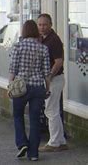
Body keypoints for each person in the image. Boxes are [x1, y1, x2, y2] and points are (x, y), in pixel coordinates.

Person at [9, 20, 51, 161]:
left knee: (18, 115)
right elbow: (47, 73)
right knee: (35, 120)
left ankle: (22, 144)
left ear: (24, 31)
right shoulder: (43, 48)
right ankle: (33, 154)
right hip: (38, 87)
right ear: (35, 31)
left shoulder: (18, 47)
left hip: (21, 88)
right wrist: (47, 89)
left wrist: (10, 86)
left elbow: (13, 70)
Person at [37, 13, 68, 152]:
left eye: (44, 24)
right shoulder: (43, 39)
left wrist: (49, 76)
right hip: (50, 79)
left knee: (51, 110)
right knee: (53, 109)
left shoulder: (54, 40)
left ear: (50, 25)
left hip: (54, 79)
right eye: (40, 25)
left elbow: (59, 62)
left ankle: (54, 142)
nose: (42, 27)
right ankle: (60, 141)